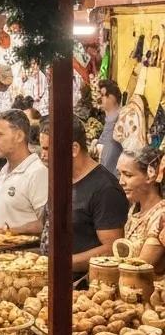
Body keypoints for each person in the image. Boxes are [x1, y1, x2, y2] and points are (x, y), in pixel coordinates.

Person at [37, 117, 128, 279]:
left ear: (74, 149)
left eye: (48, 149)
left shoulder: (105, 188)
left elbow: (112, 248)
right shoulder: (61, 177)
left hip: (82, 285)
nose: (43, 155)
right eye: (42, 148)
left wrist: (61, 263)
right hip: (50, 278)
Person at [0, 109, 47, 235]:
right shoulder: (4, 169)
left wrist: (9, 232)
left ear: (19, 136)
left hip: (22, 253)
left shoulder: (38, 172)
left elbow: (46, 224)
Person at [116, 145, 165, 274]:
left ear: (150, 176)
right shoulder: (135, 210)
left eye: (128, 175)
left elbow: (138, 268)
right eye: (119, 174)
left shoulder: (161, 216)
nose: (121, 181)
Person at [97, 80, 124, 175]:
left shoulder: (119, 119)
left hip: (112, 174)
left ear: (112, 98)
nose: (100, 98)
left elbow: (111, 151)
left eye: (103, 95)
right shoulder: (110, 119)